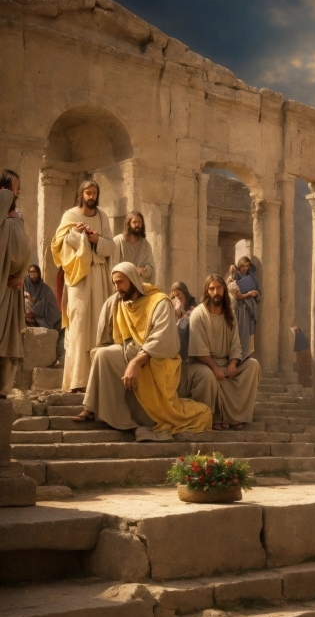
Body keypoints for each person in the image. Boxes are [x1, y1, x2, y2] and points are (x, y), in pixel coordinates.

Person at [74, 262, 211, 440]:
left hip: (157, 358)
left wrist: (136, 362)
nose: (117, 288)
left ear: (132, 280)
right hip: (129, 351)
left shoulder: (159, 302)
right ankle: (94, 409)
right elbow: (107, 333)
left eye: (121, 282)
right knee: (102, 355)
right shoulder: (119, 301)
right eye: (115, 283)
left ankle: (142, 417)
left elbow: (163, 339)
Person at [51, 179, 115, 393]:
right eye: (88, 192)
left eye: (94, 193)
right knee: (79, 325)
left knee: (99, 324)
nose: (91, 197)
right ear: (81, 194)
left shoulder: (102, 216)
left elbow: (110, 246)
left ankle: (97, 381)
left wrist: (97, 239)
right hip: (79, 276)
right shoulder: (70, 216)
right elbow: (58, 243)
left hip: (98, 275)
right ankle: (77, 381)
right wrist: (77, 235)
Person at [181, 274, 260, 430]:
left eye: (219, 288)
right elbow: (199, 349)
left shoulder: (230, 315)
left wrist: (233, 362)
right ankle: (213, 416)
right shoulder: (198, 314)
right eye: (212, 289)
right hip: (203, 364)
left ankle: (235, 416)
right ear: (207, 291)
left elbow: (235, 344)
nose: (216, 292)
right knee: (208, 375)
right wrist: (215, 368)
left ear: (224, 289)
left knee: (253, 366)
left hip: (226, 363)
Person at [0, 170, 29, 397]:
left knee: (8, 340)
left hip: (12, 287)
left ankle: (3, 388)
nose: (18, 192)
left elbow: (22, 250)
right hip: (3, 284)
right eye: (15, 188)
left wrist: (21, 274)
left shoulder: (15, 216)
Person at [228, 255, 259, 357]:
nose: (245, 268)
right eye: (242, 266)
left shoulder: (251, 278)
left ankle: (245, 358)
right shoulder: (234, 277)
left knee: (247, 336)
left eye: (247, 266)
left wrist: (256, 294)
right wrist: (249, 294)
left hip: (248, 310)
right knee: (239, 333)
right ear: (239, 266)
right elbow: (236, 296)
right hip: (238, 309)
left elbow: (258, 293)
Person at [112, 212, 156, 282]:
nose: (137, 225)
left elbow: (151, 266)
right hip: (121, 283)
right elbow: (112, 266)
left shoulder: (146, 245)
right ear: (128, 224)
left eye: (139, 222)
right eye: (134, 222)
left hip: (139, 285)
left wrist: (145, 270)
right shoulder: (118, 241)